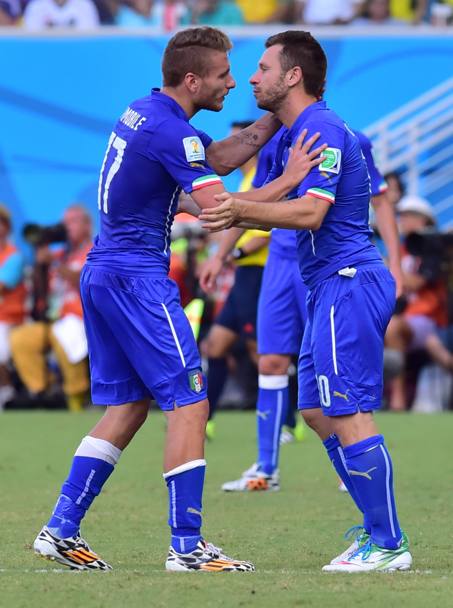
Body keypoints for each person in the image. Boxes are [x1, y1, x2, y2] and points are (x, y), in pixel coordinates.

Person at [32, 26, 325, 573]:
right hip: (138, 280)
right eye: (222, 76)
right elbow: (219, 210)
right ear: (192, 80)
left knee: (128, 407)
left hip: (104, 274)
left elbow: (206, 166)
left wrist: (269, 122)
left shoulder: (146, 111)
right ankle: (187, 546)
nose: (233, 83)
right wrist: (287, 181)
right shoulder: (175, 136)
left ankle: (60, 529)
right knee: (191, 400)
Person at [200, 30, 412, 572]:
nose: (252, 77)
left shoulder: (321, 129)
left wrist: (235, 212)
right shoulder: (295, 131)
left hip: (348, 280)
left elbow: (310, 213)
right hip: (328, 285)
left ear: (292, 75)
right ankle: (374, 532)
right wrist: (229, 210)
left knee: (349, 412)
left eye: (263, 67)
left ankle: (388, 544)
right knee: (316, 409)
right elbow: (261, 187)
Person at [203, 127, 402, 492]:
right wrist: (220, 255)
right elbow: (253, 201)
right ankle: (266, 468)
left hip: (328, 265)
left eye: (264, 68)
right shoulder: (274, 144)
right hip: (279, 262)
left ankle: (356, 459)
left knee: (341, 370)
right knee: (270, 361)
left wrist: (397, 264)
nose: (253, 79)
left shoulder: (348, 138)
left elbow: (381, 199)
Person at [201, 120, 270, 436]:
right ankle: (206, 419)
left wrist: (233, 255)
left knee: (262, 352)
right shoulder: (245, 181)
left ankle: (288, 421)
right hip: (243, 274)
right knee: (215, 345)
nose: (229, 150)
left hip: (258, 273)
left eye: (236, 142)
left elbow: (265, 230)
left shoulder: (261, 178)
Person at [11, 205, 92, 412]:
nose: (67, 226)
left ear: (87, 225)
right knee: (22, 338)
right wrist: (41, 266)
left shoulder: (94, 250)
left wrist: (55, 265)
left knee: (64, 333)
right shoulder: (59, 255)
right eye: (65, 222)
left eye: (73, 221)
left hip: (83, 318)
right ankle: (41, 391)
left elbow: (84, 279)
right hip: (55, 319)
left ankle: (76, 395)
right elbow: (41, 295)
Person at [385, 195, 451, 410]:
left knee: (394, 328)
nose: (403, 221)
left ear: (424, 220)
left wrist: (387, 266)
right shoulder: (402, 250)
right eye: (402, 216)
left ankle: (398, 399)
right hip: (407, 321)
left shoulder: (432, 246)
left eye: (409, 216)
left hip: (428, 319)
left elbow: (414, 283)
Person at [0, 204, 26, 410]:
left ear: (7, 228)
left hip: (9, 319)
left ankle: (6, 392)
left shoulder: (14, 256)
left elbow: (2, 286)